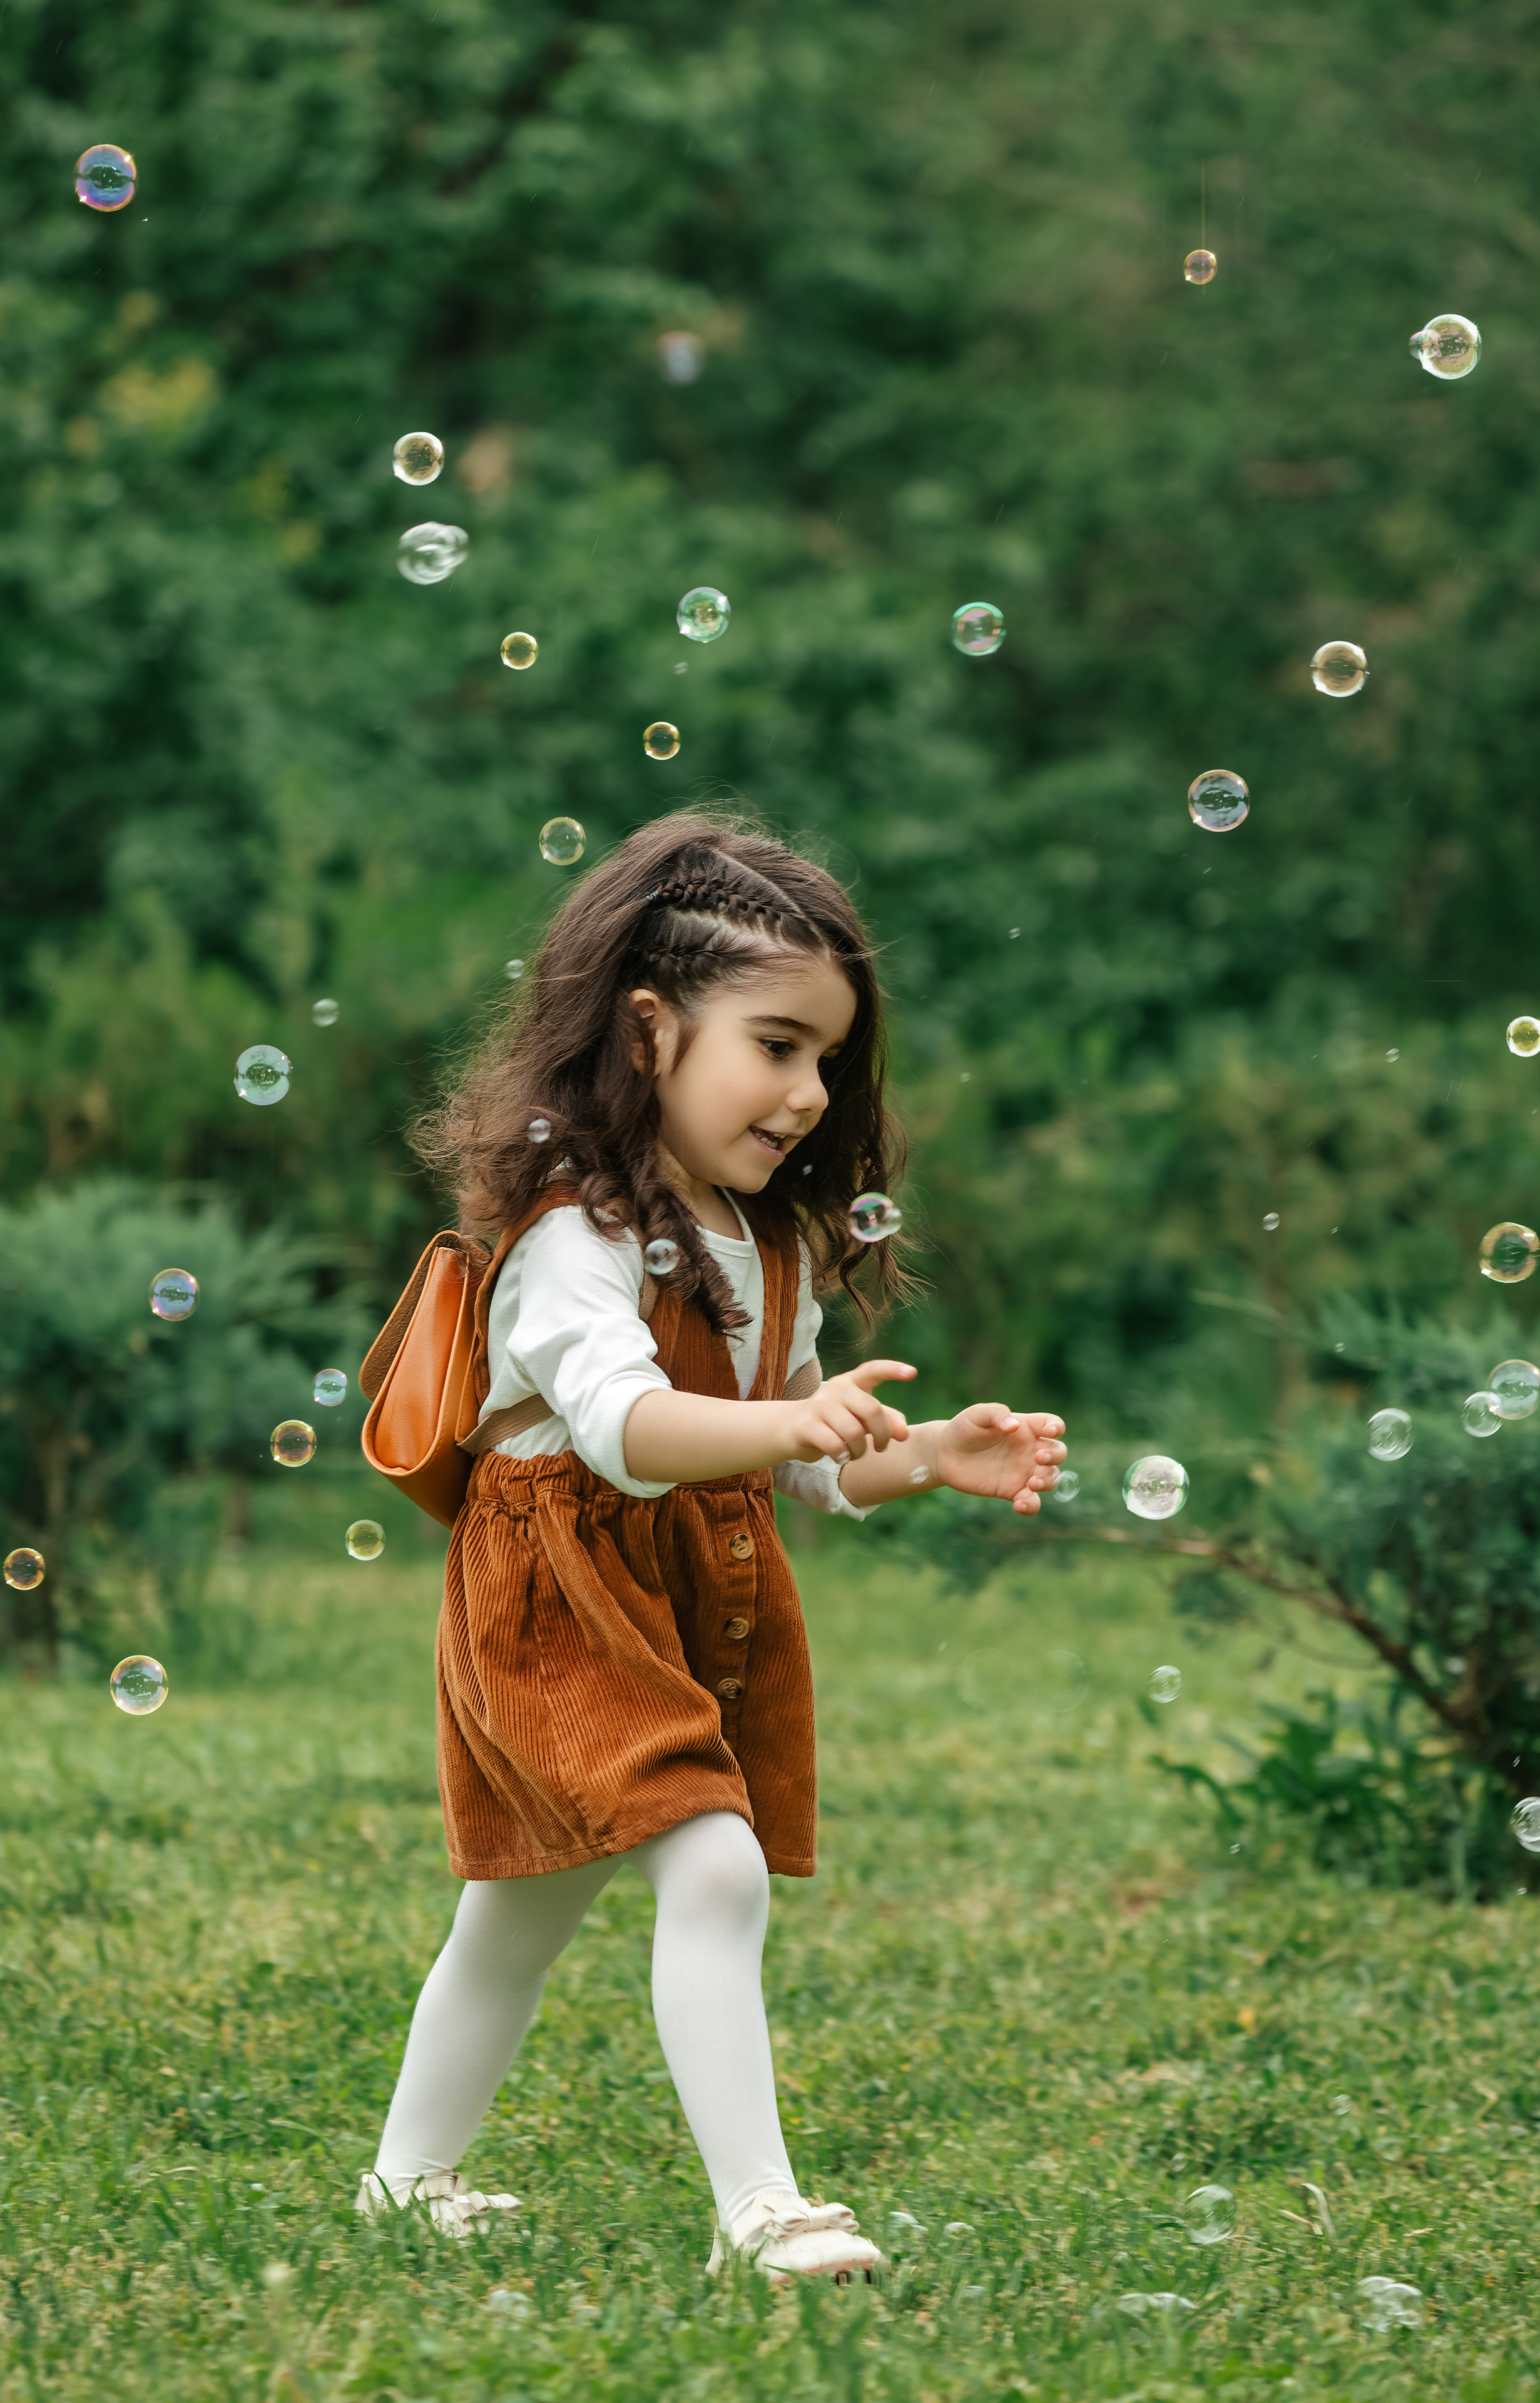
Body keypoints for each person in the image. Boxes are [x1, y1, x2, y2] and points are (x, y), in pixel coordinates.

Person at [357, 810, 1066, 2282]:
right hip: (559, 1606)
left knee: (515, 1916)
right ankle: (762, 2214)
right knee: (711, 1865)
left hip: (680, 1599)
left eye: (828, 1058)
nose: (808, 1092)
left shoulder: (765, 1242)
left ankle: (404, 2184)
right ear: (647, 1030)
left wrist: (921, 1458)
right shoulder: (573, 1239)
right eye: (775, 1043)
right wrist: (783, 1432)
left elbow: (796, 1459)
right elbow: (624, 1428)